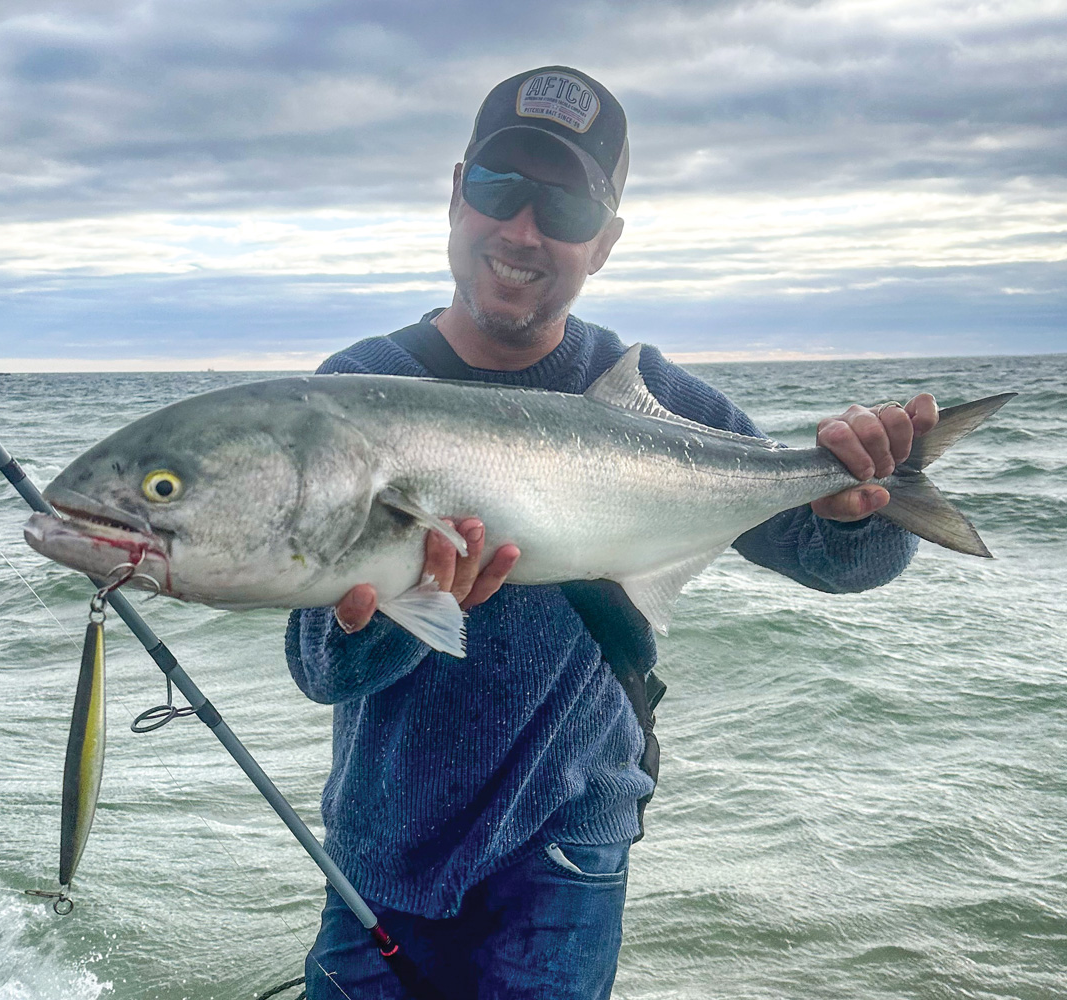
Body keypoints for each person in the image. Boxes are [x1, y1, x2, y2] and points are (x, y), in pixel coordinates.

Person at [286, 66, 938, 1000]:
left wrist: (861, 503)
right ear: (457, 195)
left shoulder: (655, 396)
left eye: (564, 206)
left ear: (605, 241)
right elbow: (321, 669)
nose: (522, 231)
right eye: (499, 187)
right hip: (380, 858)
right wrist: (402, 606)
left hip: (569, 851)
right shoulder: (359, 390)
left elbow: (832, 562)